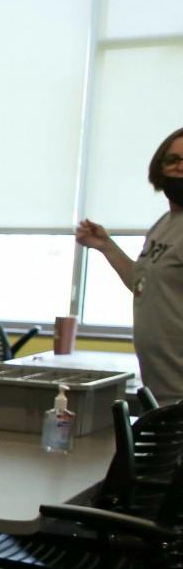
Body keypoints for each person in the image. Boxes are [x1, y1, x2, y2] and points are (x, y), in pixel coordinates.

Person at [76, 127, 183, 405]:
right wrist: (106, 246)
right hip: (161, 386)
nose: (180, 167)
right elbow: (143, 284)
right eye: (172, 160)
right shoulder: (164, 224)